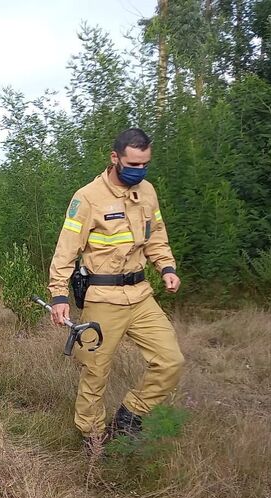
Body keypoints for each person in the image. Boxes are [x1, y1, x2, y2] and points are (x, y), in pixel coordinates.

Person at [47, 128, 184, 454]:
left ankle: (131, 414)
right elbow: (66, 250)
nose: (140, 170)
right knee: (94, 371)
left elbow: (156, 235)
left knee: (171, 361)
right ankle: (92, 437)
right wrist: (59, 295)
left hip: (140, 295)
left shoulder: (147, 192)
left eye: (145, 164)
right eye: (133, 163)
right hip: (102, 297)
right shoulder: (88, 197)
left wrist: (167, 266)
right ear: (115, 158)